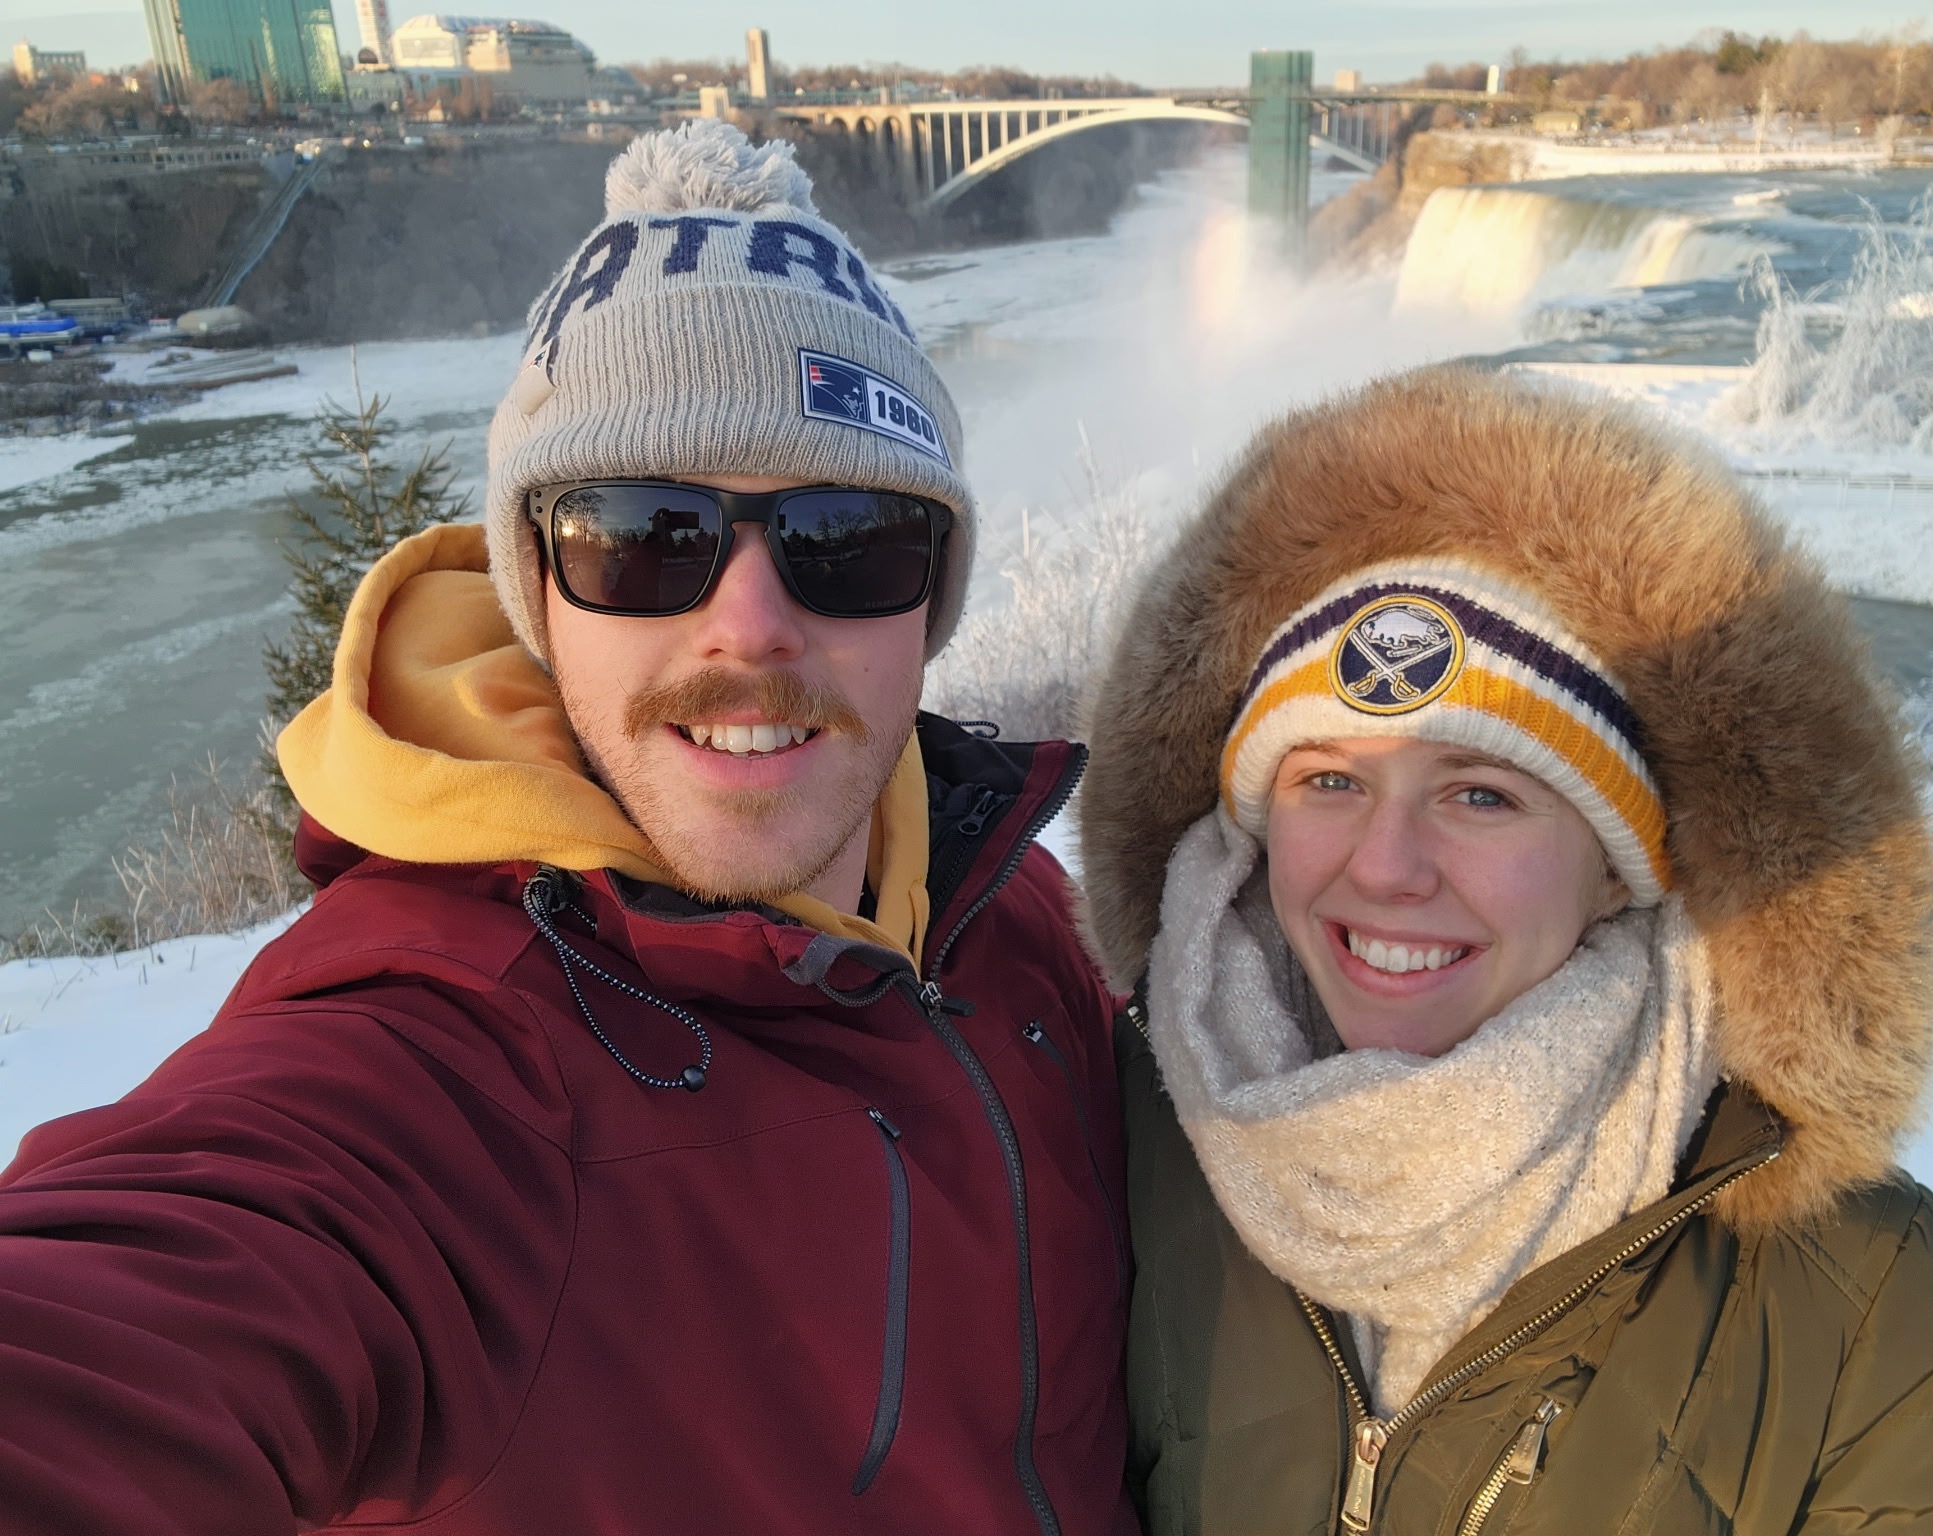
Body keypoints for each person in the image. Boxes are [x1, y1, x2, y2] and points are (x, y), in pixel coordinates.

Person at [0, 123, 1134, 1536]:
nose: (750, 626)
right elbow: (135, 1310)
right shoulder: (443, 1064)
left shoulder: (1008, 915)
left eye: (849, 539)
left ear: (932, 597)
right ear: (534, 585)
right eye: (645, 537)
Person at [1079, 366, 1933, 1535]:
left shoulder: (1855, 1295)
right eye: (1327, 780)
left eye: (1479, 794)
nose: (1384, 867)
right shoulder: (1121, 1142)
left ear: (1616, 870)